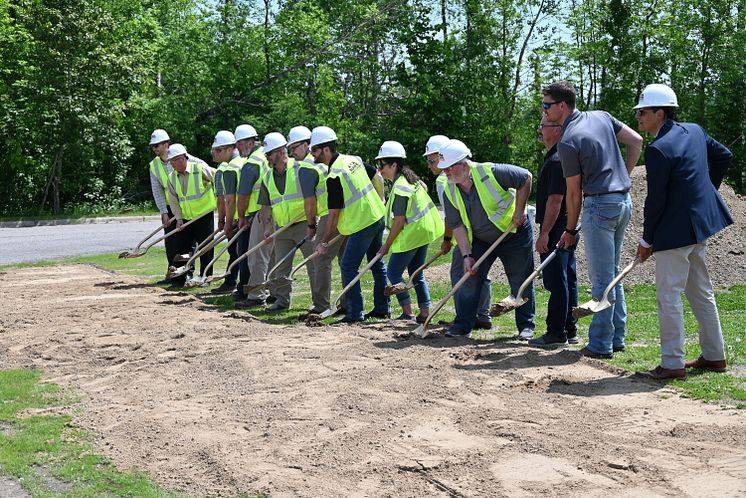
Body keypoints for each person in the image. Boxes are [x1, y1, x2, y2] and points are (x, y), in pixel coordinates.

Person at [632, 83, 733, 379]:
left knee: (669, 296)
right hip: (698, 226)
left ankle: (672, 363)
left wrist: (646, 239)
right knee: (701, 292)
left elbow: (656, 201)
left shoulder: (659, 150)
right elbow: (723, 156)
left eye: (643, 111)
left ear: (659, 113)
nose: (638, 116)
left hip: (674, 234)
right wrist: (702, 193)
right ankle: (715, 356)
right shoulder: (695, 131)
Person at [545, 80, 643, 359]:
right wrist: (624, 174)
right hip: (624, 201)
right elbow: (636, 141)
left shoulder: (567, 140)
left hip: (599, 206)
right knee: (612, 273)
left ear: (562, 106)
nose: (544, 112)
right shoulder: (601, 116)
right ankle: (618, 337)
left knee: (601, 280)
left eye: (546, 106)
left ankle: (600, 344)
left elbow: (573, 194)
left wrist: (570, 229)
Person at [439, 139, 536, 338]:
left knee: (520, 279)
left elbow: (525, 177)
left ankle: (526, 327)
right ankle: (463, 325)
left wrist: (519, 211)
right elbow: (457, 225)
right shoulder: (449, 189)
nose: (445, 173)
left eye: (448, 168)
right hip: (482, 239)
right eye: (444, 169)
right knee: (470, 278)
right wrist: (466, 255)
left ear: (463, 166)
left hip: (513, 234)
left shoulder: (490, 172)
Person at [312, 126, 390, 322]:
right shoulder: (353, 159)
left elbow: (334, 214)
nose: (312, 154)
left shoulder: (334, 175)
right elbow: (377, 176)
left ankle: (355, 314)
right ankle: (382, 308)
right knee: (376, 262)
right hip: (377, 216)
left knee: (348, 266)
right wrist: (381, 200)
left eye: (315, 150)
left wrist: (324, 241)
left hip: (362, 223)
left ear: (326, 149)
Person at [425, 135, 493, 330]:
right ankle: (481, 314)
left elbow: (450, 216)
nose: (430, 165)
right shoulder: (462, 174)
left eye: (432, 160)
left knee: (460, 274)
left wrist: (447, 239)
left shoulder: (443, 181)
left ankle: (466, 317)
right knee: (480, 273)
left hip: (466, 237)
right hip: (474, 233)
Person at [376, 141, 444, 322]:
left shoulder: (400, 186)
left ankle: (407, 312)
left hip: (413, 234)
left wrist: (386, 246)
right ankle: (424, 313)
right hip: (423, 232)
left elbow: (398, 222)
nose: (380, 170)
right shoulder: (411, 180)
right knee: (416, 272)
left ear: (394, 165)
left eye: (382, 165)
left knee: (393, 273)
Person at [528, 118, 580, 347]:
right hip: (566, 227)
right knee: (567, 279)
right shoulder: (560, 157)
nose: (540, 130)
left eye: (543, 126)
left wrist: (544, 233)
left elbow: (555, 200)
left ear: (557, 130)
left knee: (557, 281)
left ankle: (556, 332)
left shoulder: (557, 160)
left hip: (557, 228)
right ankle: (569, 328)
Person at [257, 132, 318, 311]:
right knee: (281, 266)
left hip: (304, 225)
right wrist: (268, 228)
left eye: (269, 154)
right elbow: (266, 205)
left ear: (280, 152)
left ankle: (319, 302)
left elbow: (311, 198)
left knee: (313, 265)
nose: (268, 157)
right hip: (282, 228)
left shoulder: (300, 169)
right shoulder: (267, 177)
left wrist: (311, 223)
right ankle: (282, 301)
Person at [290, 125, 346, 314]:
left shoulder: (306, 167)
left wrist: (311, 225)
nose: (292, 152)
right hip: (347, 215)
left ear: (307, 145)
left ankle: (321, 305)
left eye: (294, 148)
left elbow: (310, 203)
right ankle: (348, 304)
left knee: (321, 259)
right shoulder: (333, 160)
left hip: (330, 215)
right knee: (345, 261)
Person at [166, 144, 217, 286]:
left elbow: (219, 178)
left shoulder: (199, 169)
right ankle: (180, 279)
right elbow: (174, 200)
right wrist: (178, 218)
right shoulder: (172, 177)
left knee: (206, 248)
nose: (171, 164)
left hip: (204, 217)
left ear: (182, 159)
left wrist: (221, 199)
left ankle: (205, 277)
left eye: (173, 160)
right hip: (186, 218)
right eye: (171, 161)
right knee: (180, 248)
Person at [234, 124, 273, 307]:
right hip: (275, 210)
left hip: (259, 212)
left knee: (257, 257)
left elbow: (243, 195)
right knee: (271, 256)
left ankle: (256, 296)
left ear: (248, 142)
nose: (237, 148)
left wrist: (241, 216)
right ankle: (272, 292)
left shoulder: (251, 163)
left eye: (239, 143)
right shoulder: (266, 155)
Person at [211, 130, 246, 294]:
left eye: (218, 150)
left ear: (230, 149)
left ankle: (236, 285)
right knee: (239, 253)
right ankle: (235, 284)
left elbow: (226, 199)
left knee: (238, 252)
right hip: (244, 216)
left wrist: (225, 221)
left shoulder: (230, 168)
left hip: (240, 217)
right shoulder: (243, 162)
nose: (214, 154)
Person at [148, 129, 179, 281]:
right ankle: (172, 273)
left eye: (157, 145)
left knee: (187, 242)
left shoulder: (180, 157)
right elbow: (157, 190)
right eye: (153, 146)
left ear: (166, 144)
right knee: (170, 242)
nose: (154, 149)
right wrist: (163, 211)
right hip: (169, 208)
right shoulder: (153, 165)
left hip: (186, 206)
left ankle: (186, 274)